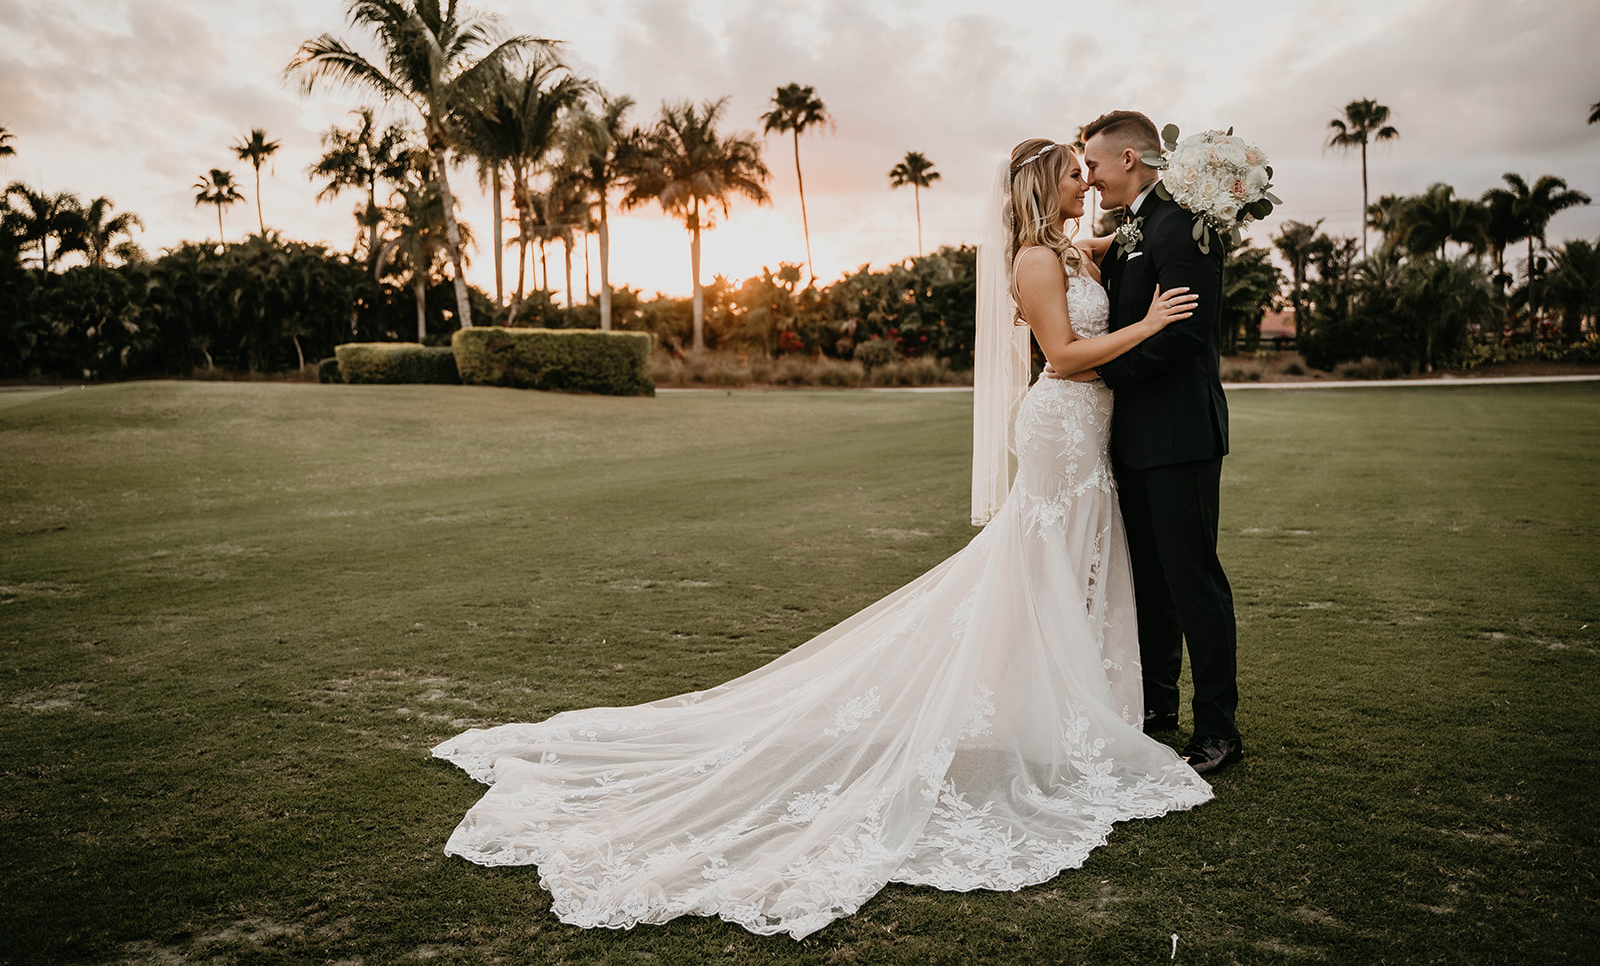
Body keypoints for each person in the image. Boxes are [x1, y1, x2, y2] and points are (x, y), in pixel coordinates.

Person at [431, 138, 1212, 941]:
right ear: (1047, 185)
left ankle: (1052, 711)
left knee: (1063, 568)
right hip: (1062, 424)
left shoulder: (1075, 249)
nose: (1089, 182)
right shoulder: (1035, 263)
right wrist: (1149, 324)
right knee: (1037, 568)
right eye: (1076, 173)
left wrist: (1198, 189)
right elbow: (1066, 355)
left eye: (1092, 169)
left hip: (1091, 439)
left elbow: (1147, 219)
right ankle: (1046, 716)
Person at [1077, 110, 1242, 774]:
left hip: (1179, 436)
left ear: (1129, 159)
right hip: (1134, 439)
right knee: (1149, 583)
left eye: (1092, 166)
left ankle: (1220, 732)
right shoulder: (1132, 230)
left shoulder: (1183, 227)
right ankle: (1156, 709)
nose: (1088, 180)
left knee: (1193, 580)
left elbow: (1183, 334)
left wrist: (1098, 369)